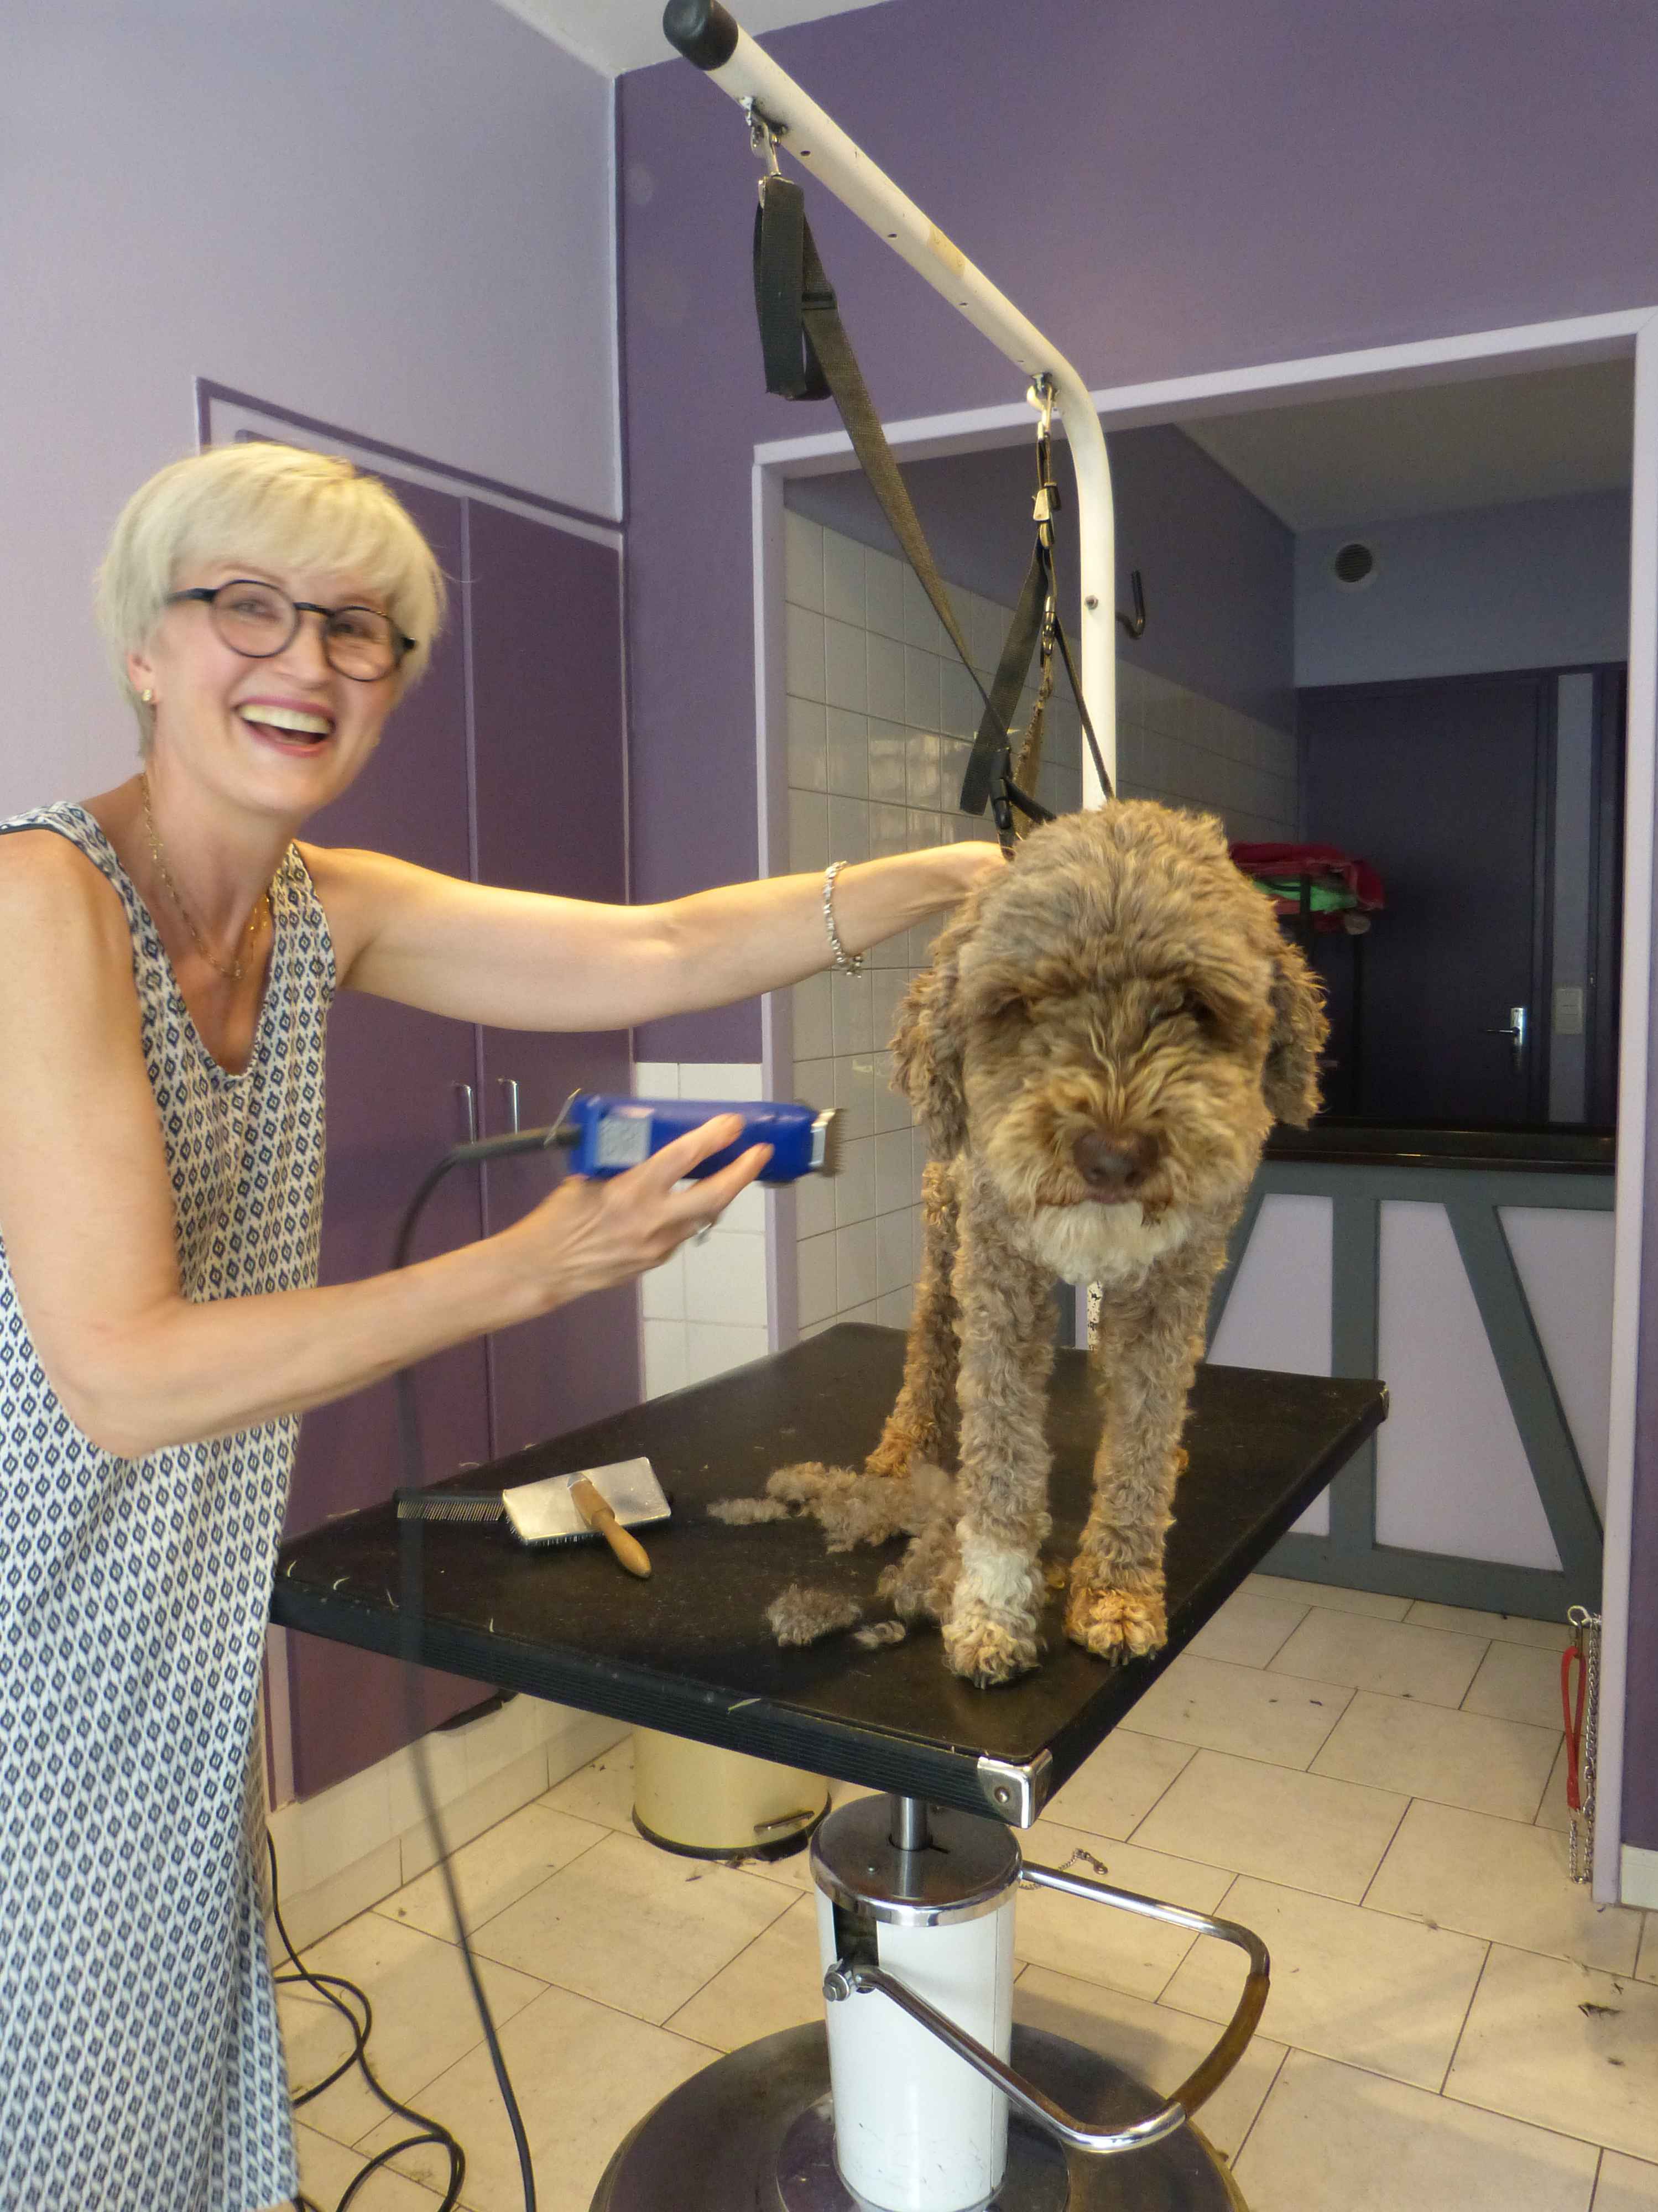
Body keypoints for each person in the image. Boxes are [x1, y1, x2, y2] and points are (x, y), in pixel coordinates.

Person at [0, 441, 1005, 2212]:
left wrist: (935, 882)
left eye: (358, 629)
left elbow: (658, 946)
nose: (305, 659)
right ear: (143, 650)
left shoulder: (321, 909)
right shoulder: (39, 909)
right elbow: (123, 1372)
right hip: (35, 1631)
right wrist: (529, 1271)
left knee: (165, 2077)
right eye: (247, 606)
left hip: (166, 1610)